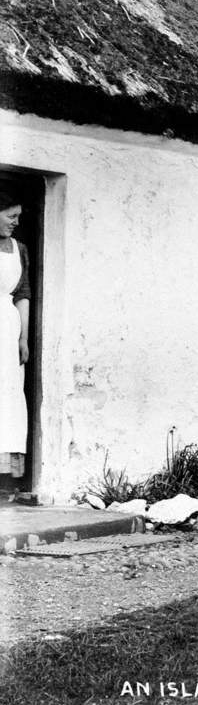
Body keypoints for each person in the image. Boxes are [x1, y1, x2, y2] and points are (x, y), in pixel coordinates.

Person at [0, 191, 30, 487]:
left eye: (18, 216)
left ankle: (5, 476)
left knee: (7, 394)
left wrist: (22, 338)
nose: (16, 222)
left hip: (7, 329)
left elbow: (22, 295)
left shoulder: (19, 249)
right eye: (11, 216)